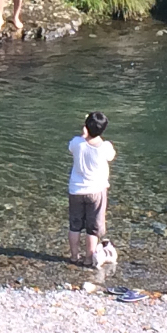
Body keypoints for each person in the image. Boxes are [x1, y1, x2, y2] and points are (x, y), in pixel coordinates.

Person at [68, 111, 115, 267]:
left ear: (85, 127)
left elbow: (73, 147)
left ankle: (74, 256)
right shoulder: (105, 147)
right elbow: (111, 156)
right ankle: (88, 259)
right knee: (92, 228)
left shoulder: (76, 143)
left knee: (75, 226)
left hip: (76, 190)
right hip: (96, 191)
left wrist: (84, 134)